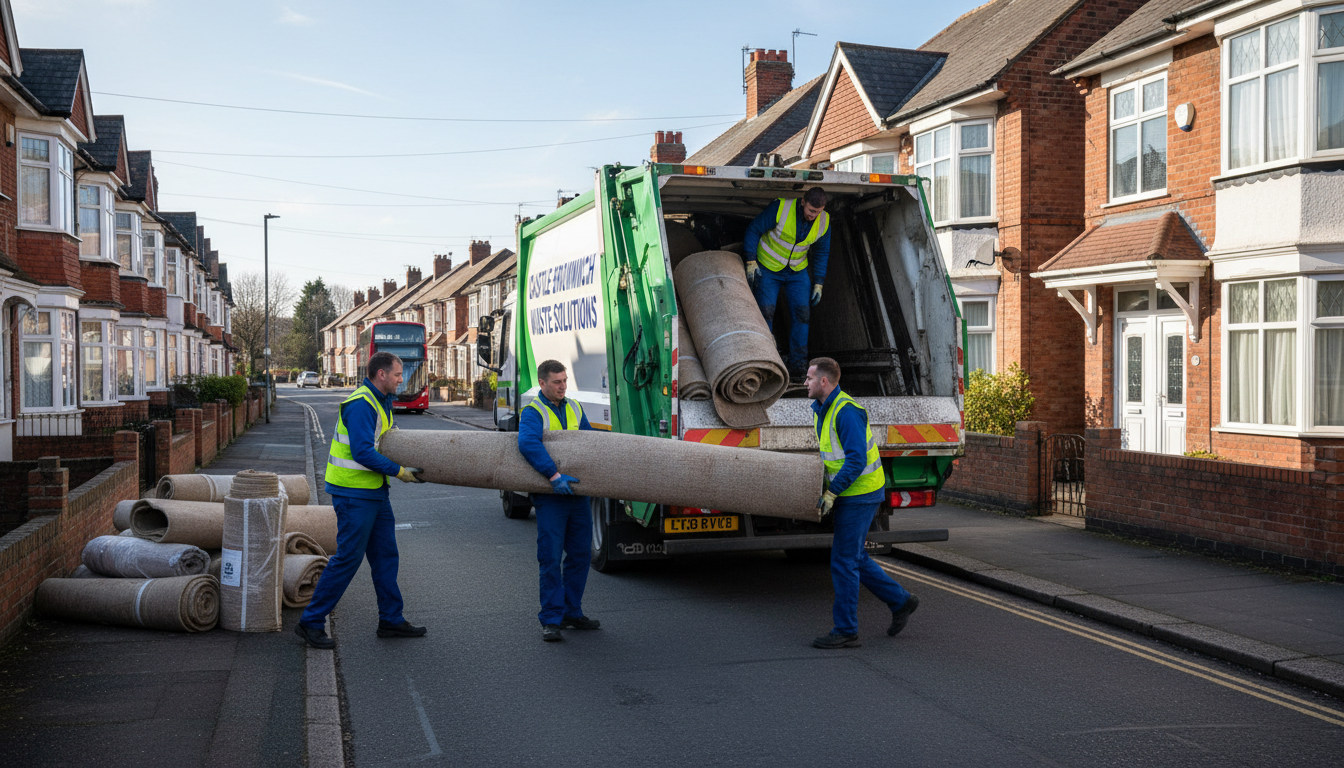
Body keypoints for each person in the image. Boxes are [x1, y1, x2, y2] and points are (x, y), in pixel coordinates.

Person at [295, 351, 428, 649]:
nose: (401, 379)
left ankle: (391, 619)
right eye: (396, 374)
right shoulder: (360, 404)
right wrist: (400, 472)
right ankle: (310, 622)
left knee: (385, 556)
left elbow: (385, 439)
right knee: (348, 559)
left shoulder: (381, 401)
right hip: (354, 493)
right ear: (381, 375)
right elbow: (362, 453)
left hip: (374, 492)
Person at [806, 356, 919, 649]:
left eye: (809, 378)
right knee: (854, 557)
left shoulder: (846, 412)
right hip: (852, 492)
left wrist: (832, 493)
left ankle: (846, 630)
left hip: (860, 493)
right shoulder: (823, 409)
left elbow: (856, 460)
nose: (804, 383)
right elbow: (834, 458)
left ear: (824, 381)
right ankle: (901, 601)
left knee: (843, 560)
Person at [518, 359, 601, 643]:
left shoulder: (575, 407)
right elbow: (528, 443)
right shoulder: (533, 411)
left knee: (580, 556)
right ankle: (551, 619)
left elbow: (589, 441)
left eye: (564, 380)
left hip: (576, 495)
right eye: (557, 382)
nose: (562, 386)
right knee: (551, 558)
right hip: (551, 496)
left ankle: (571, 612)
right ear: (542, 383)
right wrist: (554, 476)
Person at [743, 187, 832, 378]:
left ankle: (798, 365)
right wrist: (751, 260)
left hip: (797, 271)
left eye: (817, 211)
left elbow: (822, 252)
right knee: (765, 313)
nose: (813, 215)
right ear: (803, 202)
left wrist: (819, 282)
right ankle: (765, 362)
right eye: (810, 211)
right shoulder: (780, 208)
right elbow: (754, 229)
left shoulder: (824, 220)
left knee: (802, 315)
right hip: (768, 267)